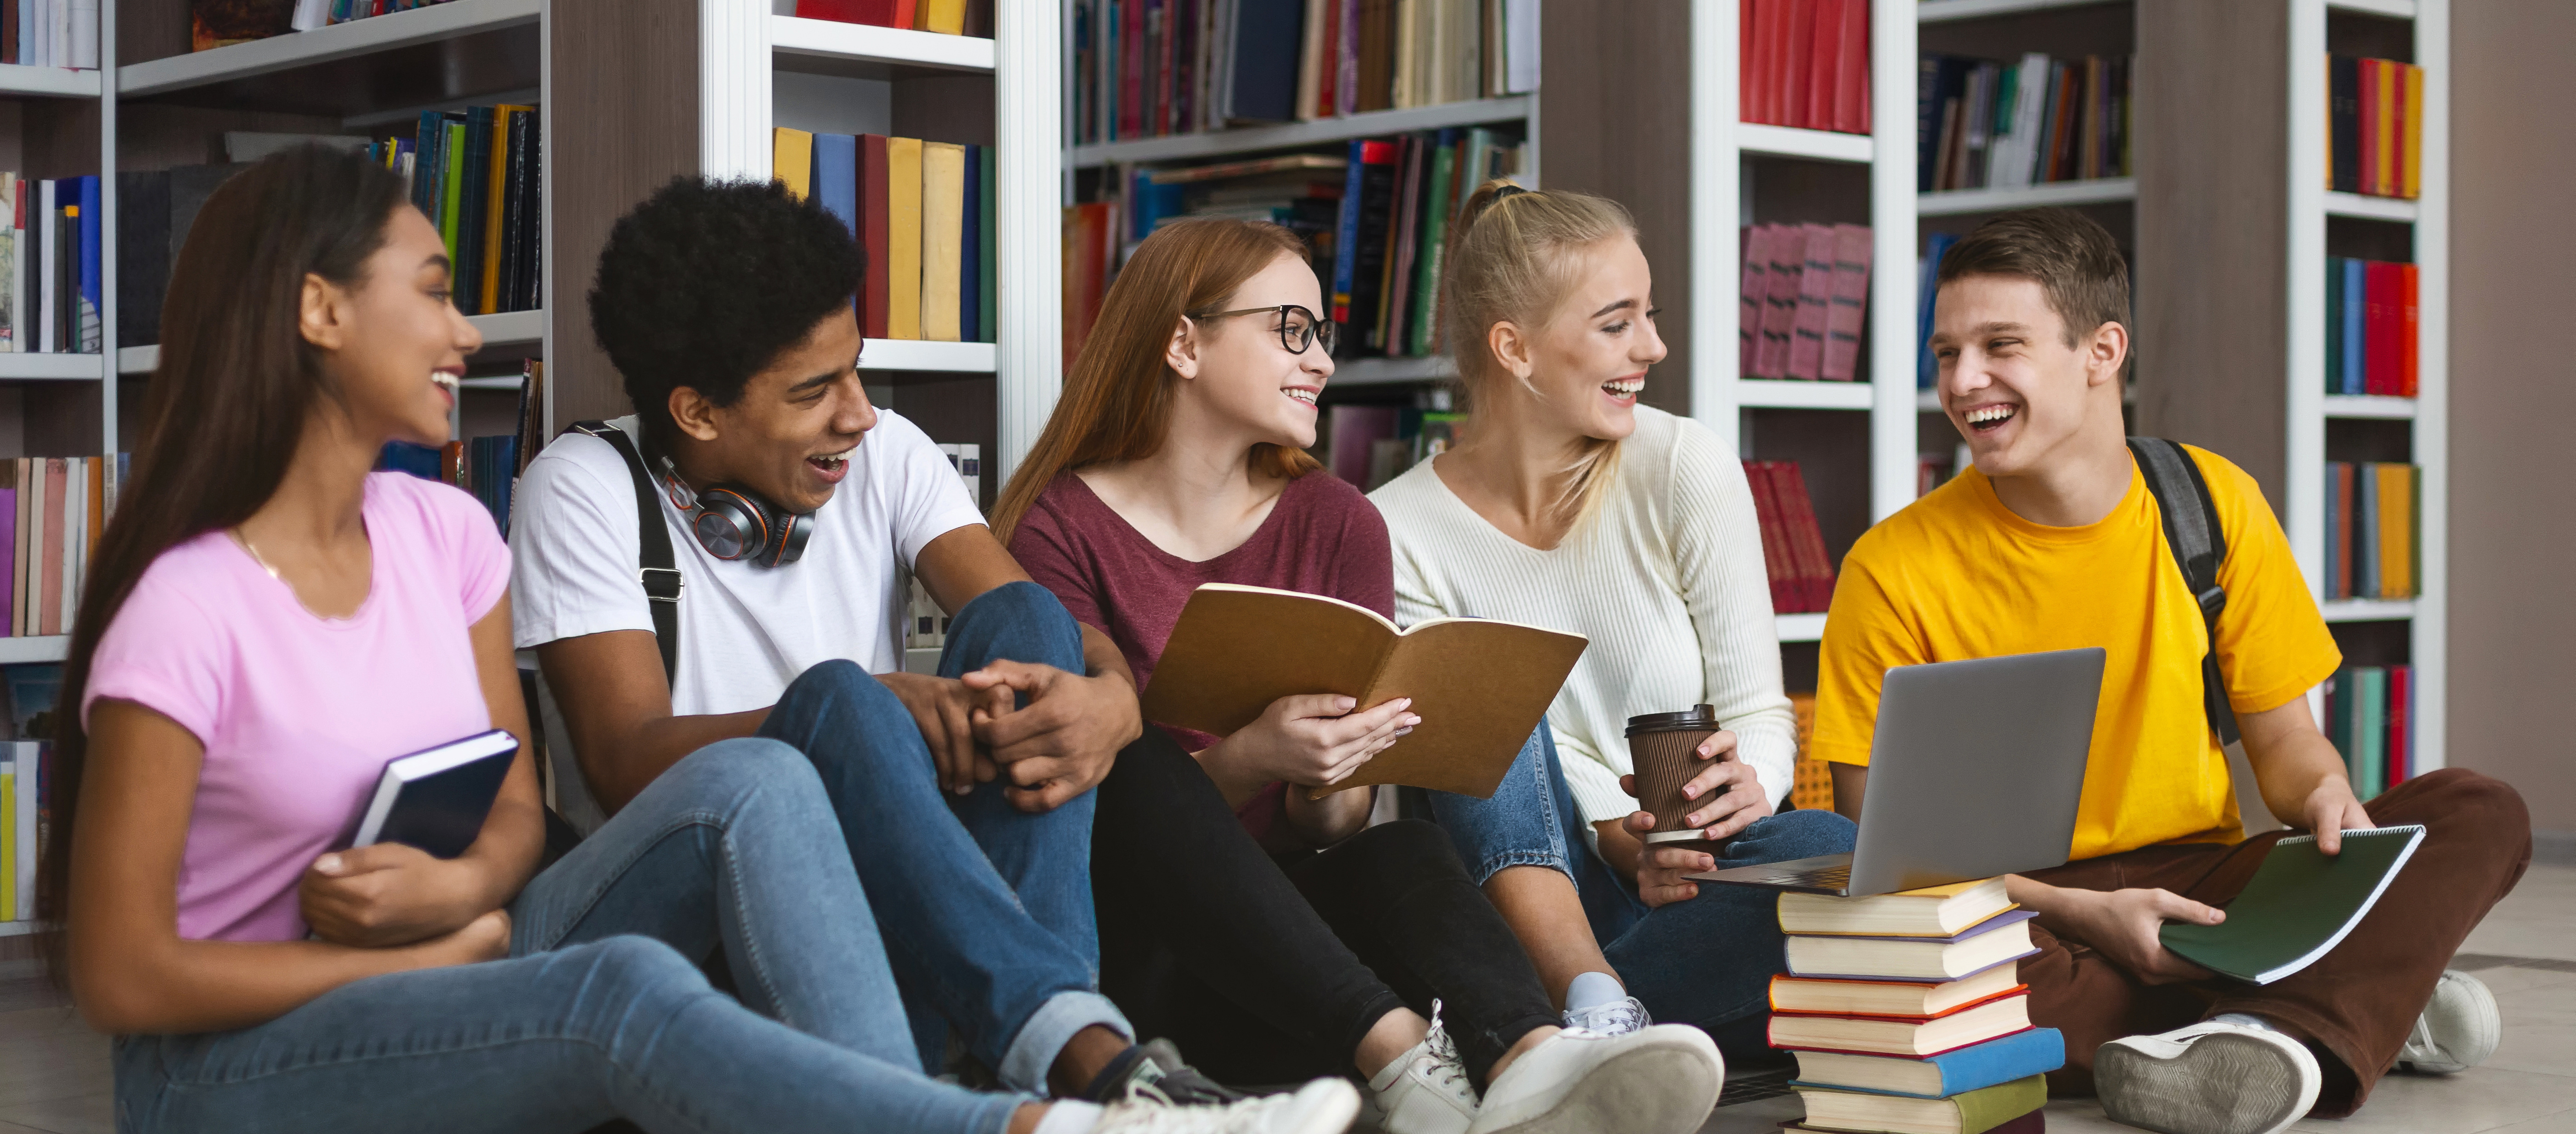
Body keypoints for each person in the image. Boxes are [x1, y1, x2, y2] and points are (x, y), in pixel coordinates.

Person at [42, 145, 1356, 1134]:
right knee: (778, 776)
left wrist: (458, 897)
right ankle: (1052, 1107)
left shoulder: (446, 536)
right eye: (436, 292)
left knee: (814, 743)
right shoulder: (192, 602)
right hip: (257, 1041)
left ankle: (1052, 1058)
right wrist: (447, 942)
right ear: (321, 314)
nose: (470, 331)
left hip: (492, 936)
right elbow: (116, 975)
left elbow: (511, 820)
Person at [511, 177, 1271, 1107]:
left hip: (889, 907)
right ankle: (1089, 1070)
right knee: (836, 698)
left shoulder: (888, 453)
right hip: (693, 914)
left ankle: (1044, 1062)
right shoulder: (582, 485)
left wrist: (1113, 692)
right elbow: (622, 762)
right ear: (700, 413)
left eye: (857, 371)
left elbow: (1039, 624)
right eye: (813, 391)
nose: (859, 413)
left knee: (1028, 629)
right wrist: (865, 706)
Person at [994, 216, 1727, 1134]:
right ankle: (1407, 1062)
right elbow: (1084, 814)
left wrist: (1331, 774)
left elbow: (1330, 829)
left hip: (1306, 972)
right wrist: (1254, 755)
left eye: (1321, 335)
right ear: (1183, 341)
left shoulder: (1334, 520)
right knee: (1131, 754)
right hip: (1151, 965)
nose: (1320, 363)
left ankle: (1536, 1061)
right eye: (1289, 331)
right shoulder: (1058, 530)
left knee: (1401, 848)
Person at [1814, 208, 2528, 1134]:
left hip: (2198, 881)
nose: (1962, 381)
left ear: (2101, 351)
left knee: (2479, 809)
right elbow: (1886, 849)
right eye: (1946, 352)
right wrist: (2078, 908)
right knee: (1921, 987)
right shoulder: (1892, 566)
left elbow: (2287, 748)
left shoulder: (2210, 501)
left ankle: (2291, 1010)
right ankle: (2340, 1004)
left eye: (2000, 346)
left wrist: (2323, 800)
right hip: (2018, 903)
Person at [1365, 182, 1858, 1060]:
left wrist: (1748, 782)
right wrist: (1618, 846)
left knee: (1827, 846)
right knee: (1479, 689)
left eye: (1650, 315)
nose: (1654, 346)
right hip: (1525, 884)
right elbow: (1483, 783)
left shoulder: (1682, 465)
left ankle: (1566, 1032)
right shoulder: (1395, 528)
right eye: (1616, 322)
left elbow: (1760, 706)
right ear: (1514, 349)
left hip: (1696, 878)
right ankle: (1591, 998)